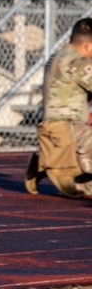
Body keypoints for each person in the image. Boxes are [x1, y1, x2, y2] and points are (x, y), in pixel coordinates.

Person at [25, 18, 92, 198]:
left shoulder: (59, 55)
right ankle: (56, 165)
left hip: (55, 128)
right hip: (68, 129)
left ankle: (47, 160)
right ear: (88, 46)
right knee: (84, 190)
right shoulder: (79, 63)